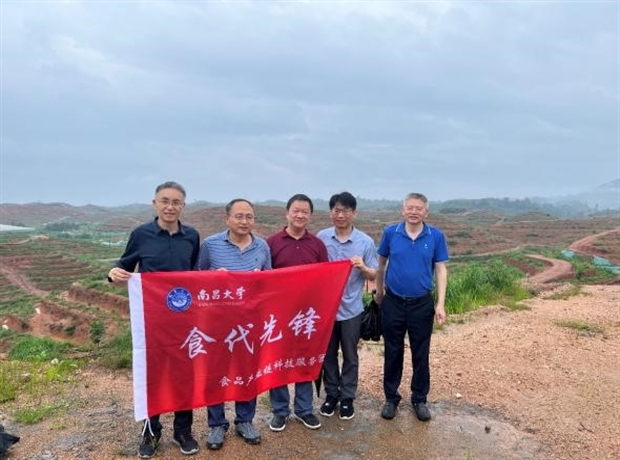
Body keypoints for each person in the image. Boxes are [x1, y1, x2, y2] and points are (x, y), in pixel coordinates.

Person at [107, 181, 200, 458]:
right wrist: (113, 274)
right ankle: (151, 430)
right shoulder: (141, 234)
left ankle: (183, 431)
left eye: (176, 202)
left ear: (183, 206)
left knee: (184, 376)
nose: (170, 207)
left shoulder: (192, 236)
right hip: (151, 321)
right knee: (153, 376)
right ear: (155, 203)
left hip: (185, 321)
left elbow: (195, 273)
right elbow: (123, 266)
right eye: (165, 201)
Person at [196, 198, 271, 451]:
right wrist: (212, 278)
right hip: (217, 323)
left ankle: (245, 420)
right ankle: (217, 424)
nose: (244, 221)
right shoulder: (210, 245)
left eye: (249, 216)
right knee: (216, 372)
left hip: (250, 324)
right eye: (239, 216)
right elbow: (197, 278)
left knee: (247, 371)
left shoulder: (262, 246)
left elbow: (270, 281)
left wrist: (261, 280)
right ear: (227, 218)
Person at [374, 192, 448, 422]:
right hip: (393, 301)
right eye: (410, 207)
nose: (414, 211)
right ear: (403, 210)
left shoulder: (435, 236)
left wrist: (440, 303)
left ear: (426, 212)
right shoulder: (391, 233)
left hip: (422, 303)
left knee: (420, 353)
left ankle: (419, 399)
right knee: (392, 352)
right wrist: (379, 292)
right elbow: (381, 264)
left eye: (418, 208)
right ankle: (391, 398)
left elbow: (440, 269)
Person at [266, 194, 329, 432]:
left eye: (305, 212)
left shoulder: (317, 245)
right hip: (279, 314)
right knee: (278, 361)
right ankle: (280, 411)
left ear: (310, 216)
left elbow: (325, 277)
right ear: (287, 213)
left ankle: (304, 409)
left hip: (307, 315)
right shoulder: (271, 243)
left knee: (305, 358)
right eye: (296, 211)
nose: (300, 215)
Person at [316, 192, 378, 421]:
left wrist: (363, 267)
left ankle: (347, 397)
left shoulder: (365, 242)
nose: (340, 215)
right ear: (330, 212)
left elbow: (374, 273)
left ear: (354, 213)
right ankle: (332, 394)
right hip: (326, 310)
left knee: (350, 355)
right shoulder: (321, 238)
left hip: (352, 309)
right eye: (336, 210)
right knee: (328, 354)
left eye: (345, 211)